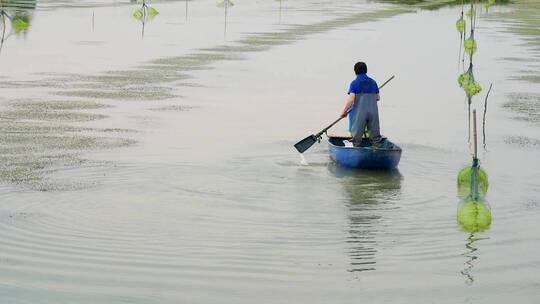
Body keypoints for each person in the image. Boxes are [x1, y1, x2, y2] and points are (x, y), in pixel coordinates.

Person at [340, 61, 383, 146]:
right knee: (375, 137)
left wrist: (344, 112)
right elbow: (378, 98)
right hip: (373, 112)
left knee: (357, 137)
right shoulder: (373, 82)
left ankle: (357, 151)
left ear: (355, 71)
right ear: (366, 70)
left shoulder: (354, 83)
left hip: (360, 113)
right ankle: (376, 149)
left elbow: (351, 100)